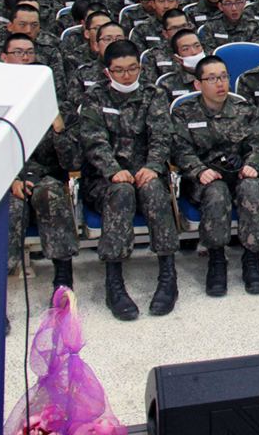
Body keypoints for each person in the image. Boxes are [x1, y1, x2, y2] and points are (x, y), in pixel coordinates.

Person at [79, 40, 180, 320]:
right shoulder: (95, 97)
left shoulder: (153, 94)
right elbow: (93, 141)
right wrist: (112, 169)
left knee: (155, 190)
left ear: (140, 67)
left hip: (144, 172)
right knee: (121, 191)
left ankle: (168, 276)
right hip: (104, 180)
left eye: (132, 68)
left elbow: (162, 135)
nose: (127, 76)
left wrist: (153, 166)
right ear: (107, 71)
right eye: (119, 70)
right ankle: (114, 282)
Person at [170, 56, 259, 296]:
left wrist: (252, 164)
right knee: (216, 191)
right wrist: (198, 170)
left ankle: (251, 258)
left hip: (238, 174)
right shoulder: (185, 112)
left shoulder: (244, 110)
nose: (220, 83)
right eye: (212, 78)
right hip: (204, 179)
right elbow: (180, 150)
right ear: (198, 84)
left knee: (252, 187)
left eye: (224, 76)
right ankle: (216, 260)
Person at [2, 35, 81, 297]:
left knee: (51, 193)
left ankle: (63, 281)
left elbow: (72, 163)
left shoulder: (62, 110)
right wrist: (11, 179)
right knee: (12, 207)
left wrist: (58, 127)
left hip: (46, 179)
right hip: (6, 180)